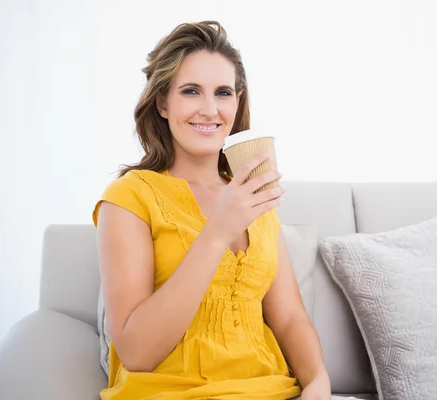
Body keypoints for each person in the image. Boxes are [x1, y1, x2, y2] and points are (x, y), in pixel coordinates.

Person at [92, 20, 331, 400]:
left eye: (222, 93)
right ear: (162, 103)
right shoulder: (130, 198)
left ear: (237, 102)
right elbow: (136, 352)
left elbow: (288, 317)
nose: (209, 109)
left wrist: (318, 383)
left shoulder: (252, 191)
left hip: (273, 390)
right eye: (190, 91)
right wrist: (218, 232)